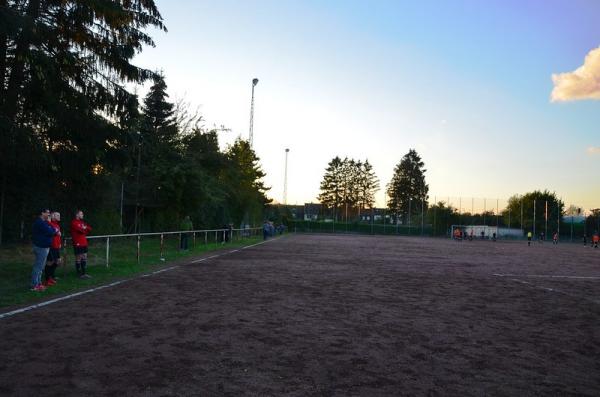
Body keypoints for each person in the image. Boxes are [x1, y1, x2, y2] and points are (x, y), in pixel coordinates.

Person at [31, 209, 60, 291]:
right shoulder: (40, 222)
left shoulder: (44, 222)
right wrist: (54, 230)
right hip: (41, 247)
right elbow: (51, 231)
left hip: (44, 247)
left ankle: (38, 283)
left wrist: (53, 230)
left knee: (41, 267)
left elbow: (52, 230)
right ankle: (34, 285)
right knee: (38, 267)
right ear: (42, 213)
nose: (49, 214)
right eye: (47, 213)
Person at [70, 210, 92, 279]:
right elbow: (81, 230)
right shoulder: (74, 222)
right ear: (77, 215)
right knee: (79, 257)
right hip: (78, 242)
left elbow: (89, 228)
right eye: (81, 214)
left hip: (84, 242)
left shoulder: (82, 222)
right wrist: (84, 229)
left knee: (84, 256)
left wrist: (84, 228)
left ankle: (84, 273)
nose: (82, 215)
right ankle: (79, 274)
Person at [44, 211, 62, 286]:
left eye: (59, 215)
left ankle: (51, 276)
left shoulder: (57, 225)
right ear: (52, 216)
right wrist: (49, 221)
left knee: (57, 261)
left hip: (57, 246)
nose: (59, 216)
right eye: (57, 215)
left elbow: (58, 235)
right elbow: (54, 231)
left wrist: (59, 243)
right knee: (50, 262)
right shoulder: (48, 223)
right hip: (51, 246)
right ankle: (47, 279)